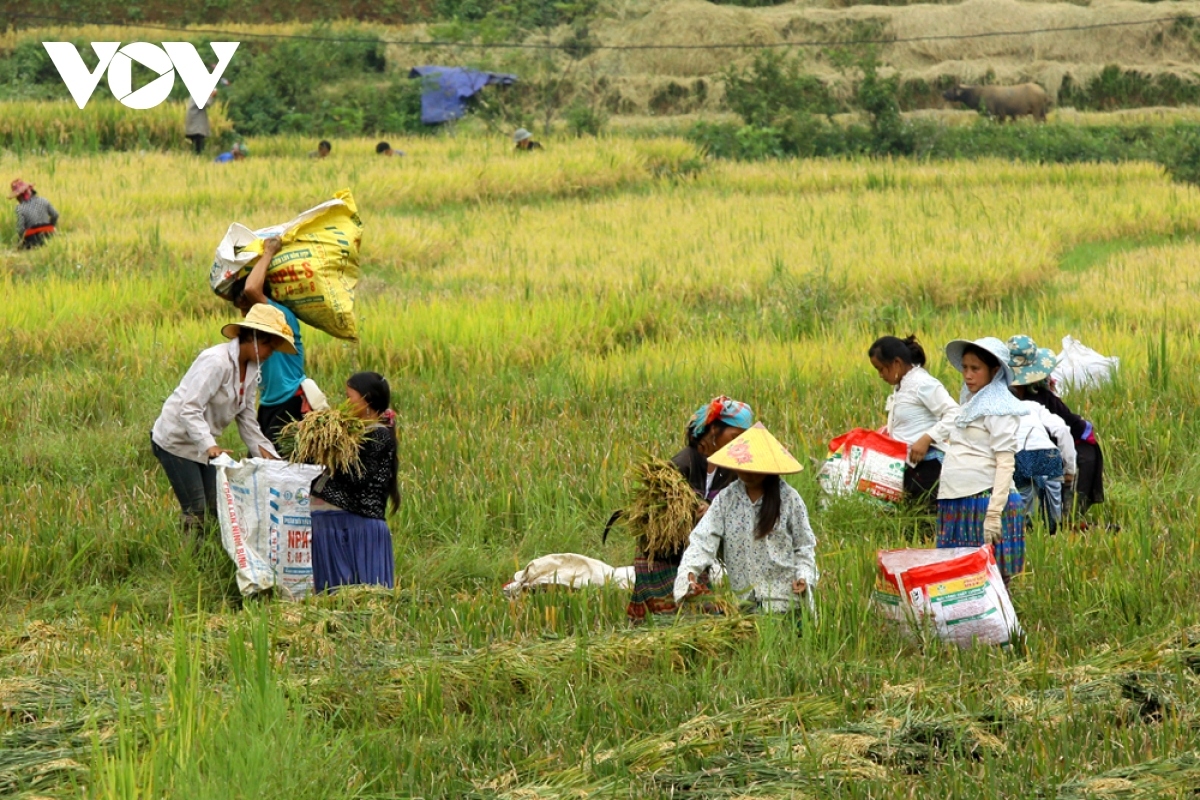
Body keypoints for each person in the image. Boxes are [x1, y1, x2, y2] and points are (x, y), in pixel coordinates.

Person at [150, 304, 296, 535]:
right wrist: (211, 447)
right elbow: (189, 408)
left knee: (217, 508)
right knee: (196, 510)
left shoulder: (251, 370)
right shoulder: (216, 361)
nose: (271, 353)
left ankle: (208, 557)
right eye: (270, 345)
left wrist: (269, 456)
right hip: (176, 440)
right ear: (254, 339)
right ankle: (190, 563)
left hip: (206, 446)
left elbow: (247, 419)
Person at [626, 396, 753, 622]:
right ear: (714, 431)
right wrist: (692, 512)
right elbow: (658, 518)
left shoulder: (732, 470)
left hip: (695, 555)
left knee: (703, 616)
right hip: (662, 556)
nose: (738, 444)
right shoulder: (682, 464)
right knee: (662, 620)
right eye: (734, 437)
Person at [675, 423, 818, 615]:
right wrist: (689, 572)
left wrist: (804, 577)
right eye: (743, 467)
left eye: (754, 468)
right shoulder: (726, 499)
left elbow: (804, 546)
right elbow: (702, 541)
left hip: (785, 603)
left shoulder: (789, 499)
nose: (747, 473)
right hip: (745, 606)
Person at [936, 337, 1028, 581]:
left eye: (975, 369)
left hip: (984, 500)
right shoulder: (969, 405)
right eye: (965, 368)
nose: (967, 375)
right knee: (959, 580)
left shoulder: (1000, 408)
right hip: (957, 499)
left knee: (989, 579)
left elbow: (1006, 462)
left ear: (994, 371)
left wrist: (994, 513)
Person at [309, 372, 400, 592]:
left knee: (362, 598)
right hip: (335, 524)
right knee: (336, 599)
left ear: (367, 400)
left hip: (355, 526)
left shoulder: (377, 436)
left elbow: (358, 479)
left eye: (350, 398)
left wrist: (333, 448)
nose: (346, 403)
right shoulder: (354, 433)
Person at [1007, 335, 1106, 527]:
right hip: (1048, 457)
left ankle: (1050, 519)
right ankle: (1065, 514)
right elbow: (1065, 428)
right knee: (1086, 453)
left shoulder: (1000, 399)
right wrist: (1069, 473)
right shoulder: (1042, 400)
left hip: (1016, 461)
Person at [225, 236, 309, 445]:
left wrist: (269, 252)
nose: (245, 315)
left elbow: (251, 289)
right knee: (259, 462)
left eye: (246, 308)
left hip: (289, 400)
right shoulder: (257, 328)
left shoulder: (280, 315)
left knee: (273, 467)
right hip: (269, 403)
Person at [868, 334, 959, 509]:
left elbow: (955, 413)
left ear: (896, 363)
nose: (880, 375)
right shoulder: (902, 385)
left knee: (925, 524)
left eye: (881, 369)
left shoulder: (922, 383)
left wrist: (927, 439)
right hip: (908, 467)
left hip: (928, 468)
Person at [1008, 345, 1076, 536]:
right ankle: (1053, 536)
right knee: (1053, 506)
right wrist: (1069, 470)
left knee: (1025, 505)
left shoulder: (997, 413)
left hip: (1019, 455)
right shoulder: (1033, 406)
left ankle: (1029, 536)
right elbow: (1062, 430)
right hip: (1048, 453)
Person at [9, 179, 58, 249]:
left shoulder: (20, 208)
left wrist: (19, 242)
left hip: (32, 240)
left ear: (19, 197)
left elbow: (21, 229)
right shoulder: (44, 200)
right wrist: (51, 226)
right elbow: (55, 215)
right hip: (49, 236)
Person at [185, 90, 215, 154]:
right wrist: (211, 96)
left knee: (196, 145)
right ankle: (197, 158)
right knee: (198, 147)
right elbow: (206, 103)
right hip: (197, 127)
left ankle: (195, 158)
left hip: (194, 126)